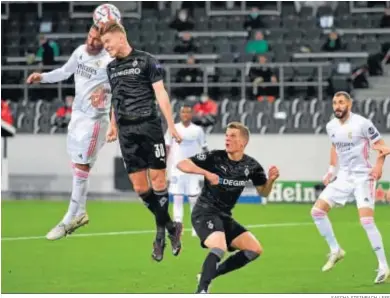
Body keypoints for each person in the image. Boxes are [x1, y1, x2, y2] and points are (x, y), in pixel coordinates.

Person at [99, 21, 183, 262]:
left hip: (149, 126)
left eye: (107, 42)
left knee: (158, 181)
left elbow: (161, 93)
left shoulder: (147, 60)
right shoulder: (111, 68)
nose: (106, 47)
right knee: (140, 188)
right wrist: (113, 125)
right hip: (126, 132)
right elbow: (115, 99)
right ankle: (171, 228)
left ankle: (159, 237)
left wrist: (171, 124)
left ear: (120, 37)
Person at [26, 25, 114, 240]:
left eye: (96, 40)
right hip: (77, 118)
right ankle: (81, 212)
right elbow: (65, 72)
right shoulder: (80, 52)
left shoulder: (110, 61)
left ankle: (68, 219)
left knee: (82, 166)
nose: (92, 42)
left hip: (96, 120)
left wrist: (114, 123)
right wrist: (42, 77)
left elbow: (119, 92)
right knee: (78, 165)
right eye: (90, 37)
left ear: (105, 41)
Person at [177, 122, 280, 293]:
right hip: (204, 212)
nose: (227, 139)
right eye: (226, 135)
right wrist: (206, 173)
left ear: (243, 143)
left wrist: (271, 181)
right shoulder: (215, 158)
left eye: (232, 136)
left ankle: (208, 275)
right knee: (219, 247)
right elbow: (182, 164)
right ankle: (202, 290)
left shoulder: (252, 166)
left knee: (254, 249)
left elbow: (263, 192)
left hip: (224, 216)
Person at [311, 91, 389, 284]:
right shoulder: (331, 126)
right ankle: (335, 250)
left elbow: (382, 145)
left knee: (366, 221)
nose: (337, 106)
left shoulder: (362, 123)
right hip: (344, 176)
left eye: (341, 102)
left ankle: (383, 266)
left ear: (349, 104)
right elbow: (334, 147)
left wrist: (378, 166)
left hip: (363, 176)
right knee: (317, 212)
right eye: (334, 102)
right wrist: (330, 170)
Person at [165, 105, 208, 237]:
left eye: (188, 112)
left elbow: (205, 148)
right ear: (180, 113)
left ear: (192, 114)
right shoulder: (173, 128)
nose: (185, 114)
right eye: (183, 112)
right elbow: (167, 147)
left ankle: (196, 227)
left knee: (193, 199)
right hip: (177, 169)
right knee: (177, 198)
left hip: (192, 169)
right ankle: (178, 227)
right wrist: (164, 166)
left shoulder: (198, 130)